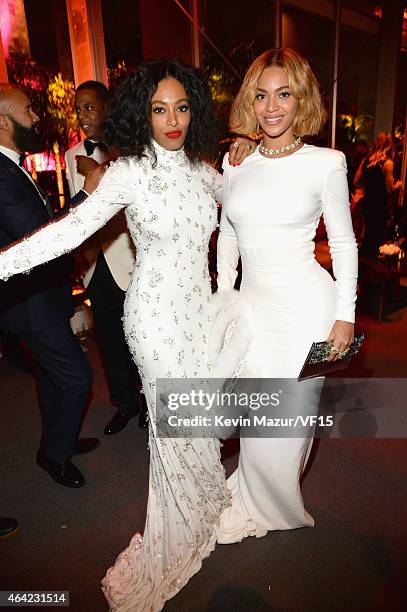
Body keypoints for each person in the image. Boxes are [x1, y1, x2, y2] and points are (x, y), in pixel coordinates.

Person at [0, 62, 254, 610]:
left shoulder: (203, 169)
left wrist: (258, 156)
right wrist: (2, 265)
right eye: (159, 108)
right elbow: (69, 232)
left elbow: (240, 208)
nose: (172, 120)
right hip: (155, 318)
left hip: (198, 310)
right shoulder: (128, 173)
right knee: (172, 426)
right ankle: (175, 529)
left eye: (182, 107)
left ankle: (200, 508)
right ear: (141, 113)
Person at [215, 48, 358, 543]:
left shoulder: (327, 162)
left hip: (306, 312)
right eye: (261, 95)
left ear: (302, 100)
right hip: (253, 310)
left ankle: (277, 505)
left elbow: (342, 243)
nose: (272, 106)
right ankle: (258, 494)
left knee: (288, 425)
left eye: (284, 94)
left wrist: (346, 315)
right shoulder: (234, 162)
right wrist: (223, 297)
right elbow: (227, 235)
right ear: (249, 103)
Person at [0, 84, 99, 489]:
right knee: (77, 377)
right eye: (29, 110)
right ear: (4, 121)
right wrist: (84, 197)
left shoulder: (13, 164)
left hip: (42, 297)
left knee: (49, 374)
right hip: (28, 306)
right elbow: (38, 233)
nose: (37, 117)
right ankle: (53, 454)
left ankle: (60, 437)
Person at [66, 80, 147, 433]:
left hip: (126, 258)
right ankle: (124, 403)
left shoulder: (129, 152)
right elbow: (77, 210)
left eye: (89, 107)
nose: (82, 115)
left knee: (139, 340)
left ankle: (149, 404)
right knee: (110, 341)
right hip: (93, 262)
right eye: (78, 108)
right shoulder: (71, 156)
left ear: (107, 107)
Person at [353, 133, 402, 255]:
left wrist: (368, 187)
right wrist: (399, 184)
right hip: (379, 205)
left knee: (367, 236)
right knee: (376, 238)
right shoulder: (388, 163)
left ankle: (363, 263)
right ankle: (372, 267)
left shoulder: (366, 160)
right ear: (390, 147)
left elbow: (356, 181)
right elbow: (389, 188)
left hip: (367, 203)